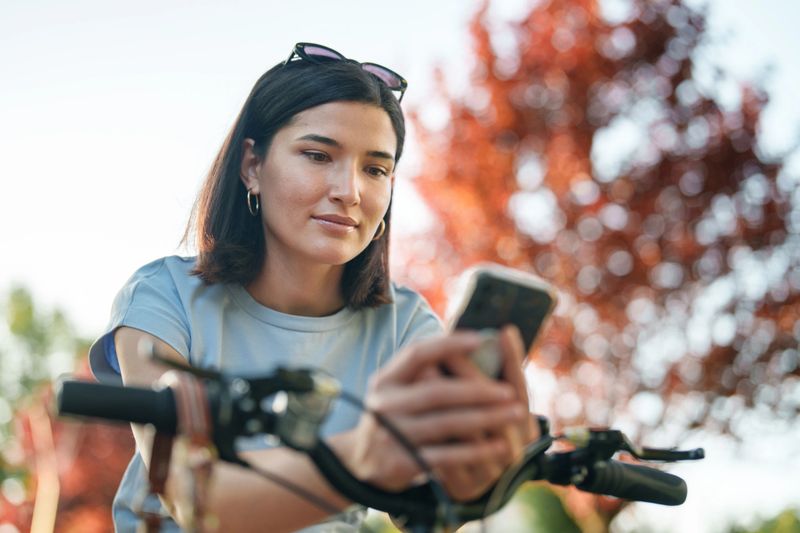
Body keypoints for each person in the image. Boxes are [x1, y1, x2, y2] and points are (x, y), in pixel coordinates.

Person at [89, 42, 537, 532]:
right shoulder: (163, 296)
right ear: (252, 166)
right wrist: (368, 453)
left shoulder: (405, 325)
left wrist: (464, 477)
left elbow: (425, 512)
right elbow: (194, 500)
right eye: (318, 155)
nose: (350, 191)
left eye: (376, 169)